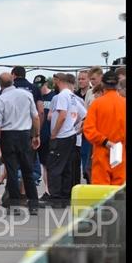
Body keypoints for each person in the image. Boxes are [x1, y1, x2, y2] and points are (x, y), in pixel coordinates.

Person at [0, 72, 41, 215]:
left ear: (0, 84)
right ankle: (33, 204)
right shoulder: (26, 95)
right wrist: (36, 135)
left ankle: (15, 205)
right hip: (25, 135)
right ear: (12, 80)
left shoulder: (0, 100)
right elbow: (36, 117)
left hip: (8, 136)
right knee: (27, 171)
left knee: (11, 172)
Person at [47, 73, 85, 207]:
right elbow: (83, 115)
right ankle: (65, 196)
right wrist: (75, 127)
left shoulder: (62, 95)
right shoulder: (73, 96)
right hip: (70, 136)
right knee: (67, 168)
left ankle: (56, 198)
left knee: (55, 167)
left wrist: (54, 133)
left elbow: (62, 115)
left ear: (58, 81)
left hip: (61, 136)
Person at [83, 70, 126, 185]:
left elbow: (88, 129)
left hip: (101, 150)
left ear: (103, 84)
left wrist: (105, 141)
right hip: (121, 151)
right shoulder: (124, 103)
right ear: (117, 85)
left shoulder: (97, 104)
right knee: (118, 190)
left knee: (101, 191)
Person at [33, 74, 54, 200]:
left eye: (40, 86)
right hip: (40, 134)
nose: (39, 89)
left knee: (49, 165)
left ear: (46, 84)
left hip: (50, 134)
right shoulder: (36, 97)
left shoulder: (54, 96)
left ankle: (50, 190)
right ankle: (47, 190)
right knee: (43, 164)